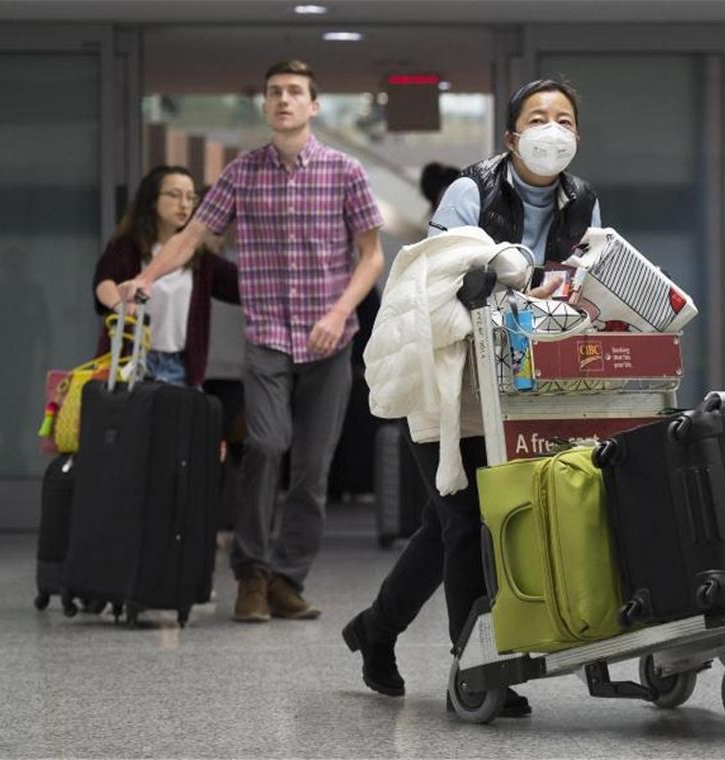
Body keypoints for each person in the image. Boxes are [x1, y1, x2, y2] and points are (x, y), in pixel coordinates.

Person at [342, 79, 602, 717]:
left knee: (448, 526)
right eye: (537, 118)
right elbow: (432, 283)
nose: (552, 129)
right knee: (465, 525)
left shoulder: (582, 201)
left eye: (564, 119)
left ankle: (375, 630)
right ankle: (477, 667)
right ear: (511, 136)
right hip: (447, 383)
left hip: (518, 386)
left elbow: (588, 279)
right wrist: (507, 284)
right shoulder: (471, 190)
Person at [119, 60, 385, 623]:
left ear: (313, 106)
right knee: (265, 446)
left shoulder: (345, 172)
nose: (283, 100)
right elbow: (192, 237)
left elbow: (371, 256)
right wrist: (145, 278)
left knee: (314, 469)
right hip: (266, 336)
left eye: (294, 92)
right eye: (274, 93)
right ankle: (251, 575)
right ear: (265, 107)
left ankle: (289, 578)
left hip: (330, 340)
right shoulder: (242, 174)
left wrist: (340, 311)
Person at [93, 167, 239, 388]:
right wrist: (119, 306)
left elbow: (242, 286)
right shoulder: (128, 247)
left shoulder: (202, 259)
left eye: (191, 197)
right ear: (153, 200)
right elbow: (104, 281)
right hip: (132, 361)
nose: (184, 204)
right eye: (174, 194)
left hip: (180, 366)